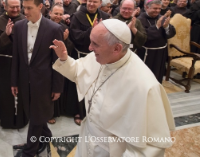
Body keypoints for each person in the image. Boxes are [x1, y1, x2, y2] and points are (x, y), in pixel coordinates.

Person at [51, 19, 175, 157]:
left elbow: (150, 147)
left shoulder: (144, 86)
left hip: (112, 151)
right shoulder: (102, 56)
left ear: (116, 48)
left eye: (95, 44)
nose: (90, 48)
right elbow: (79, 71)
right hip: (88, 137)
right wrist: (64, 58)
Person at [11, 0, 64, 157]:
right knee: (36, 114)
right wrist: (14, 81)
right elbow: (17, 57)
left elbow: (58, 61)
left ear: (40, 7)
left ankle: (30, 150)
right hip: (24, 79)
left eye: (29, 8)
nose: (24, 12)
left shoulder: (54, 29)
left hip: (44, 82)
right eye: (23, 7)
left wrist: (57, 87)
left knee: (35, 118)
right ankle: (46, 136)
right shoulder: (19, 26)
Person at [0, 0, 28, 129]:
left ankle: (22, 118)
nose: (15, 10)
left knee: (23, 89)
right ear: (5, 6)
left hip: (23, 62)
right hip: (6, 62)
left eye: (17, 7)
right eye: (12, 7)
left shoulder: (26, 19)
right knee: (7, 92)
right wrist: (6, 35)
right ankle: (9, 120)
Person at [69, 0, 109, 125]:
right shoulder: (77, 16)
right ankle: (78, 111)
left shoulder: (106, 16)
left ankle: (96, 110)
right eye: (89, 1)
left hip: (99, 57)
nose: (91, 4)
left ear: (100, 3)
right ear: (85, 1)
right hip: (82, 55)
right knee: (81, 84)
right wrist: (91, 30)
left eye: (95, 2)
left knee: (97, 84)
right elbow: (75, 37)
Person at [137, 0, 176, 83]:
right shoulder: (139, 20)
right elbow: (143, 37)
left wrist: (166, 27)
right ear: (147, 7)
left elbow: (171, 34)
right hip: (146, 54)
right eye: (155, 8)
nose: (157, 11)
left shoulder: (161, 17)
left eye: (159, 8)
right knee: (146, 75)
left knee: (158, 74)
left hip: (161, 52)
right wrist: (156, 27)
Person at [48, 4, 74, 124]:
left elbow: (70, 48)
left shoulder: (64, 27)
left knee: (58, 85)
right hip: (47, 62)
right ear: (50, 13)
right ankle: (48, 113)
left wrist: (65, 39)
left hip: (60, 62)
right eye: (56, 13)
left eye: (60, 14)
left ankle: (58, 111)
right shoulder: (45, 26)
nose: (58, 16)